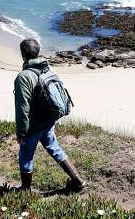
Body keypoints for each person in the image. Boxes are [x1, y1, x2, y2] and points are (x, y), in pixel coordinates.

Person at [13, 38, 85, 192]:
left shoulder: (24, 77)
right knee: (55, 149)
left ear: (22, 54)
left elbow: (22, 108)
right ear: (38, 52)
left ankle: (25, 189)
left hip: (34, 125)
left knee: (26, 155)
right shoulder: (48, 68)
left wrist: (21, 133)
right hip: (49, 120)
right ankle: (78, 181)